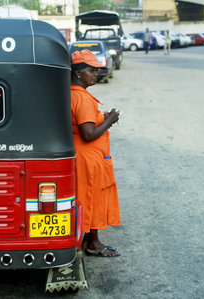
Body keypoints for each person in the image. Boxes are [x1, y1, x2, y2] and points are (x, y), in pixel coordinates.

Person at [70, 49, 121, 257]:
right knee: (90, 198)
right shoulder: (81, 98)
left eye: (97, 70)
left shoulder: (73, 94)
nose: (96, 74)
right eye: (92, 70)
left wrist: (101, 116)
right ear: (78, 73)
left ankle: (87, 240)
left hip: (83, 156)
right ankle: (93, 243)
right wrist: (110, 120)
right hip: (87, 158)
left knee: (85, 198)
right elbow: (88, 133)